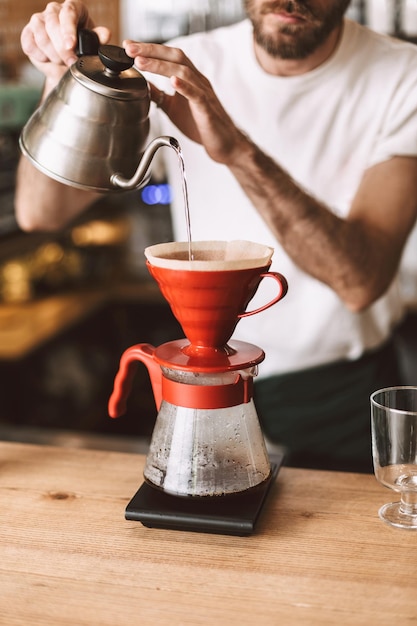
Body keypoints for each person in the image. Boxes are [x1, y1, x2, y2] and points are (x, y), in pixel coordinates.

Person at [15, 1, 417, 472]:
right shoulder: (175, 65)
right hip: (200, 379)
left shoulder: (402, 78)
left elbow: (359, 281)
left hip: (331, 394)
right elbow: (40, 211)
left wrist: (236, 150)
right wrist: (62, 81)